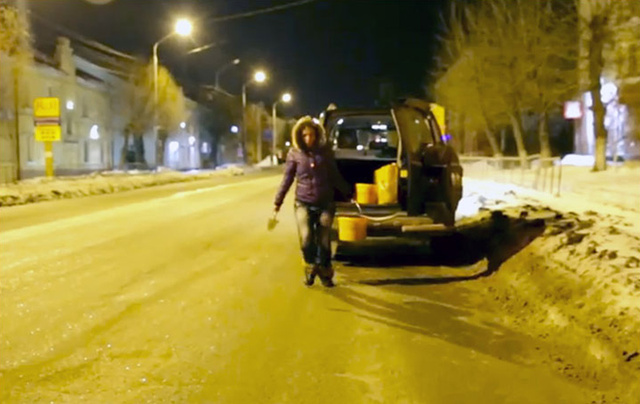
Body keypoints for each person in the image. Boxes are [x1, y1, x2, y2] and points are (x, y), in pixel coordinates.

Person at [274, 116, 352, 287]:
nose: (309, 139)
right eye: (305, 135)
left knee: (324, 241)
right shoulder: (294, 154)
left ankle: (325, 271)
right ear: (299, 136)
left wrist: (348, 194)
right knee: (307, 238)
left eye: (311, 135)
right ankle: (310, 267)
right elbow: (287, 179)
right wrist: (278, 201)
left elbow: (334, 175)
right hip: (303, 203)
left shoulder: (325, 152)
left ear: (317, 135)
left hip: (326, 203)